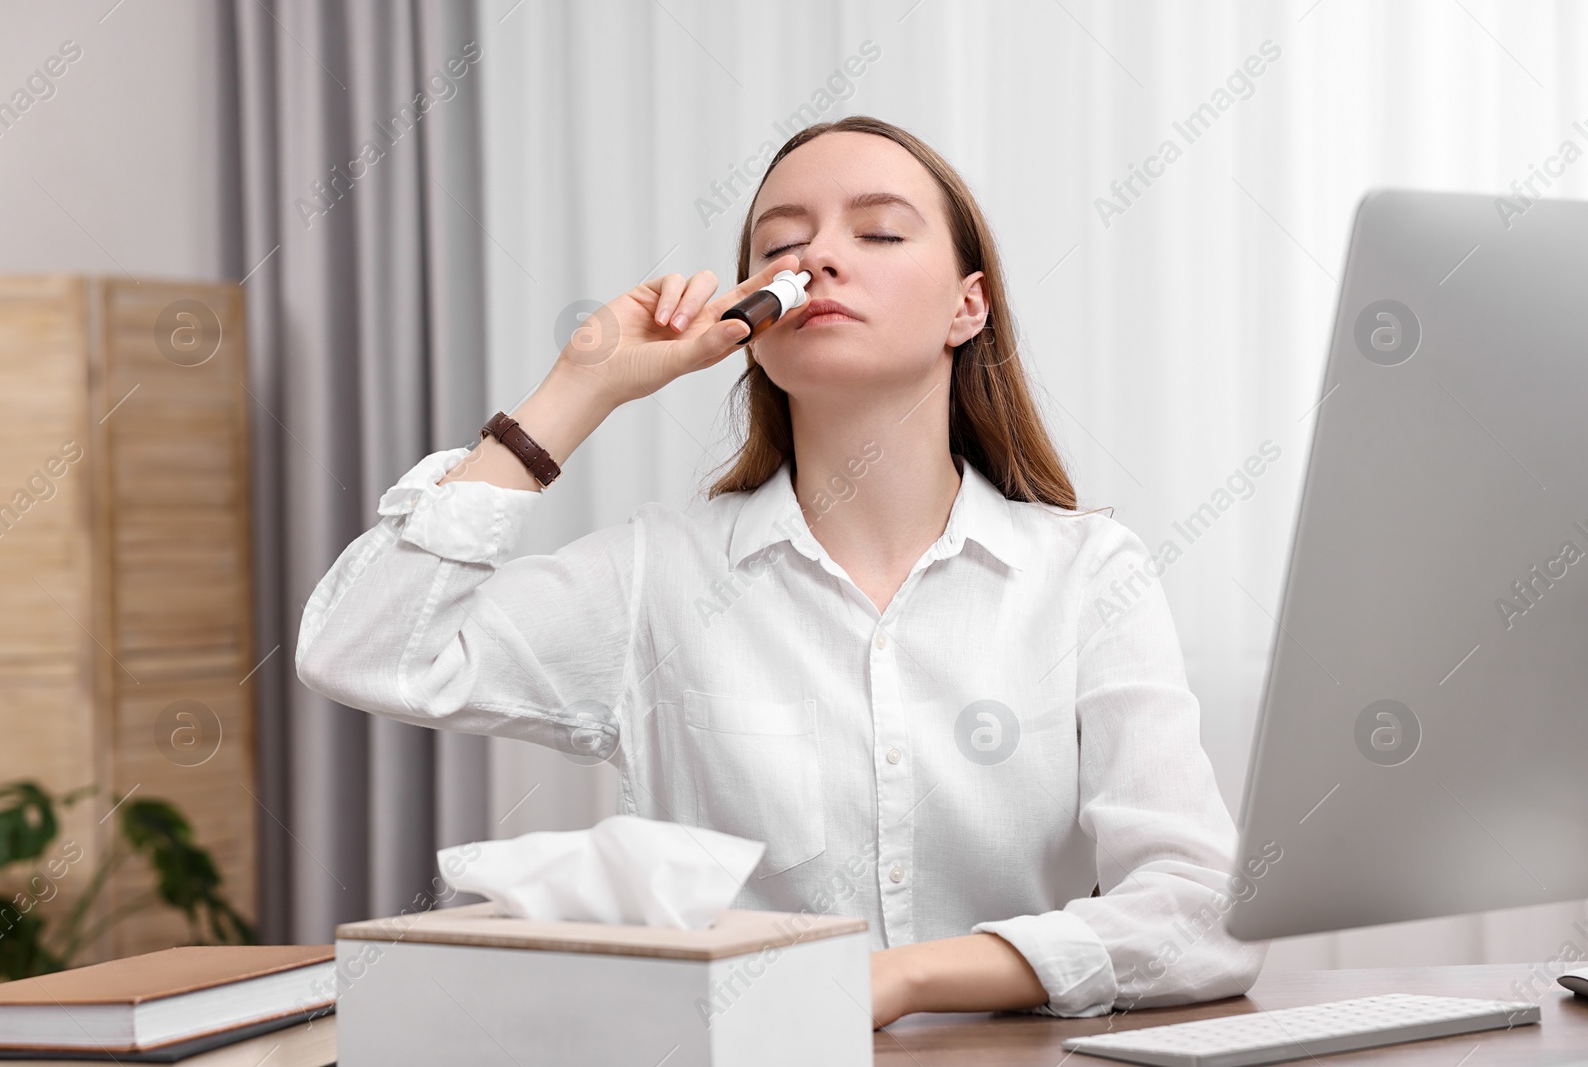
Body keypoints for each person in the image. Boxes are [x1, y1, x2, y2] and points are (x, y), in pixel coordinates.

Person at [297, 114, 1267, 1029]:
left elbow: (1201, 913)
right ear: (751, 317)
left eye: (880, 232)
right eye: (778, 245)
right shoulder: (657, 575)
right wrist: (578, 385)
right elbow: (361, 649)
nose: (816, 257)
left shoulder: (1086, 573)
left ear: (966, 306)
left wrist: (905, 975)